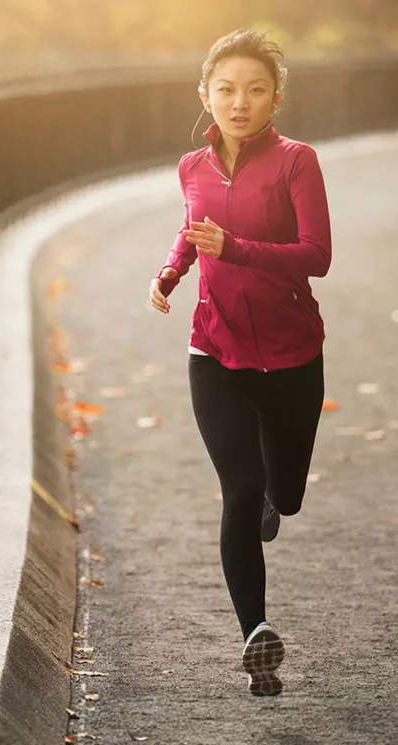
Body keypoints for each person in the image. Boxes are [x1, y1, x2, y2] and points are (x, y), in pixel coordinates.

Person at [149, 28, 331, 697]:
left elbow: (317, 255)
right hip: (215, 352)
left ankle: (272, 502)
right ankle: (256, 634)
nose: (240, 102)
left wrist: (239, 249)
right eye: (226, 89)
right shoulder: (191, 167)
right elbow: (192, 228)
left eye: (255, 89)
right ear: (206, 95)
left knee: (284, 494)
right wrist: (170, 272)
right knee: (239, 488)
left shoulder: (296, 162)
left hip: (291, 357)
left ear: (275, 97)